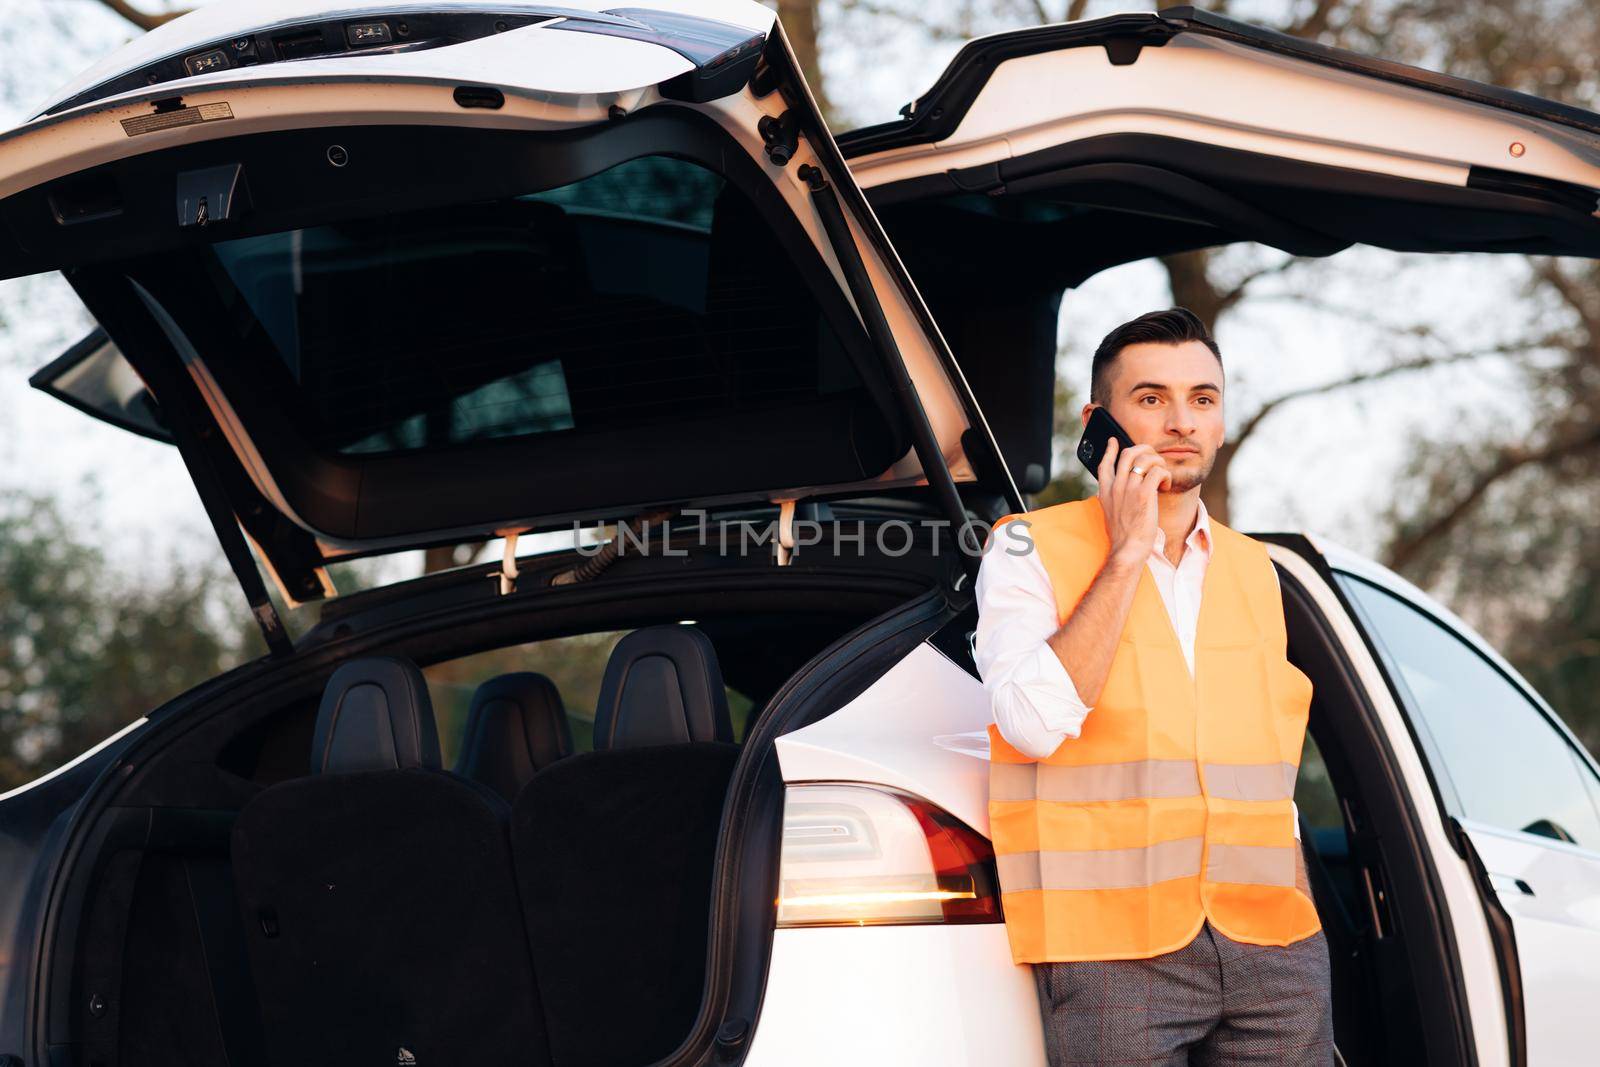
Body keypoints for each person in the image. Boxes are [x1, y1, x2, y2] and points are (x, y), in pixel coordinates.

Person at [974, 308, 1332, 1065]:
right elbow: (1032, 724)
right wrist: (1128, 551)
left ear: (1222, 419)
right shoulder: (1024, 546)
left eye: (1202, 399)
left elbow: (1266, 770)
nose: (1180, 421)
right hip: (1112, 953)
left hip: (1274, 943)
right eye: (1150, 398)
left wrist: (1300, 912)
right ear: (1097, 420)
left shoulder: (1253, 568)